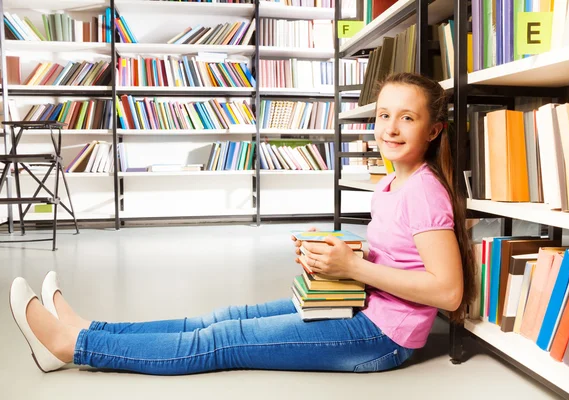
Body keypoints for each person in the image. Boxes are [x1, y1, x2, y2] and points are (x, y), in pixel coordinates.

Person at [9, 72, 476, 375]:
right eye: (383, 115)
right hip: (358, 307)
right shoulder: (389, 185)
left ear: (433, 130)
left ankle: (74, 348)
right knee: (220, 317)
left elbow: (447, 292)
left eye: (407, 118)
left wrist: (353, 270)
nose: (390, 128)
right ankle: (92, 328)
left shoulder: (426, 191)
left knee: (224, 340)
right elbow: (396, 260)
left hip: (380, 338)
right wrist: (331, 261)